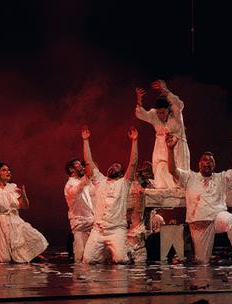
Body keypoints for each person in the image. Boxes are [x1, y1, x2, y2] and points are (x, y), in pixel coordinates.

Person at [166, 133, 232, 266]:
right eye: (205, 160)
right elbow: (172, 170)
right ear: (199, 164)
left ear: (214, 165)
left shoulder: (221, 178)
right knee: (202, 263)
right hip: (199, 225)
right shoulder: (189, 177)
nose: (208, 162)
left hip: (217, 219)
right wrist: (170, 149)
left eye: (211, 161)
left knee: (230, 219)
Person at [82, 125, 140, 264]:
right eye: (112, 165)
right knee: (88, 260)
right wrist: (85, 141)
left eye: (117, 166)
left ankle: (127, 251)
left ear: (121, 173)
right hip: (98, 230)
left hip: (116, 230)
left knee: (120, 260)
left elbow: (133, 164)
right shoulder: (100, 180)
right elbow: (88, 161)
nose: (113, 166)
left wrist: (134, 141)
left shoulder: (124, 183)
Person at [0, 162, 48, 263]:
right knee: (5, 259)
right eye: (4, 170)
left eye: (9, 170)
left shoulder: (12, 188)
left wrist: (23, 195)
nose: (8, 172)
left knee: (37, 238)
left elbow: (25, 206)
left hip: (15, 220)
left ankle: (29, 256)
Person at [135, 80, 191, 189]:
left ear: (168, 110)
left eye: (163, 112)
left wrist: (165, 90)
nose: (160, 115)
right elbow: (141, 114)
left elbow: (180, 104)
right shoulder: (154, 115)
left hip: (178, 149)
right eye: (159, 112)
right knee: (161, 172)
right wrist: (139, 100)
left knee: (178, 178)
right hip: (161, 150)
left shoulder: (176, 114)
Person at [64, 156, 94, 262]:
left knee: (92, 256)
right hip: (80, 223)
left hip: (92, 221)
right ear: (72, 169)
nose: (81, 167)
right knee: (81, 256)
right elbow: (77, 190)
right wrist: (87, 174)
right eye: (79, 165)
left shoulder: (85, 183)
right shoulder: (70, 184)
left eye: (81, 165)